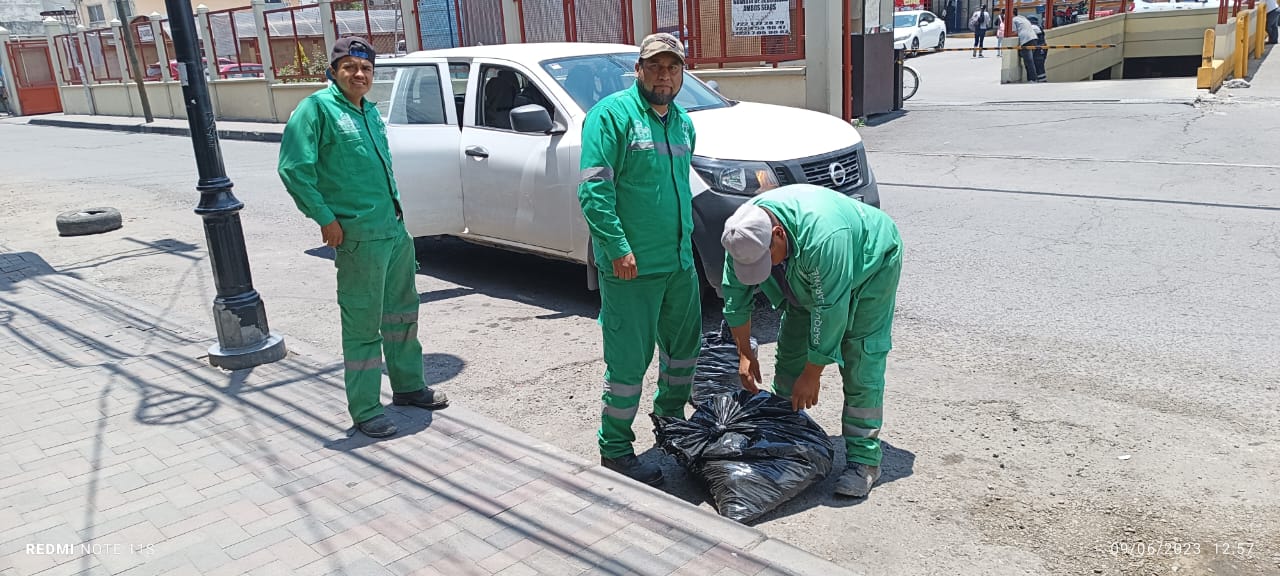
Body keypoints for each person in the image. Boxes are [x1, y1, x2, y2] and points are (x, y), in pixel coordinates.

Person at [277, 36, 448, 439]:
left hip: (393, 233)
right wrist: (325, 219)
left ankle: (408, 387)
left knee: (402, 316)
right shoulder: (316, 110)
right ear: (333, 71)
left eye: (366, 68)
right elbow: (293, 169)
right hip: (357, 238)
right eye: (350, 67)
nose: (359, 74)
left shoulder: (370, 112)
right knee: (362, 326)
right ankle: (366, 409)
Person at [719, 184, 903, 498]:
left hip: (872, 263)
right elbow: (736, 298)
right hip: (810, 272)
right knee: (791, 346)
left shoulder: (824, 238)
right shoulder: (743, 231)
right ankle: (788, 435)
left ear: (777, 234)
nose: (766, 267)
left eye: (768, 259)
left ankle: (864, 460)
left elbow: (829, 311)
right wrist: (744, 353)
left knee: (860, 357)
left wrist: (813, 373)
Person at [578, 32, 702, 486]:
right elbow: (594, 190)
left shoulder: (684, 123)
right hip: (632, 268)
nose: (664, 75)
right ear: (639, 70)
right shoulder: (612, 117)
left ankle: (670, 425)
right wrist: (617, 248)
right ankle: (615, 448)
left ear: (682, 73)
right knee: (629, 364)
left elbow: (678, 192)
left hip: (678, 264)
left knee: (683, 354)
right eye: (655, 66)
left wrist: (687, 252)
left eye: (672, 67)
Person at [1012, 10, 1046, 82]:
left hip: (1026, 40)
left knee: (1028, 62)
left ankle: (1032, 79)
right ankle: (1033, 78)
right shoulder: (1022, 18)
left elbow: (1013, 32)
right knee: (1031, 61)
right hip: (1034, 39)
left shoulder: (1013, 19)